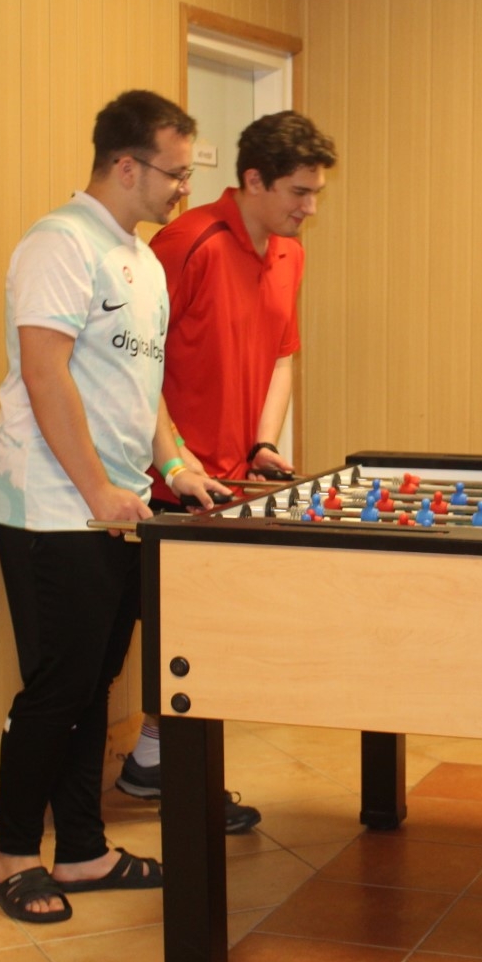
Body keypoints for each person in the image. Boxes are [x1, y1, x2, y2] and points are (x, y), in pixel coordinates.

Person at [0, 89, 227, 923]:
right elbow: (44, 373)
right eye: (174, 174)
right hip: (51, 508)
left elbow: (139, 384)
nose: (183, 190)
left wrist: (175, 464)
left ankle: (83, 851)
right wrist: (96, 490)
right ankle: (15, 855)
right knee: (57, 689)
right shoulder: (59, 243)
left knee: (93, 688)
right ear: (126, 166)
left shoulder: (144, 260)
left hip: (113, 508)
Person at [114, 110, 337, 826]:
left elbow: (282, 356)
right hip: (167, 481)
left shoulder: (290, 253)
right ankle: (174, 779)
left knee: (210, 640)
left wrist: (264, 442)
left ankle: (154, 762)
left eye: (316, 193)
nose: (309, 207)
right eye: (299, 192)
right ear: (253, 180)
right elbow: (135, 363)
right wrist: (175, 459)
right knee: (191, 647)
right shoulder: (187, 243)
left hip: (232, 482)